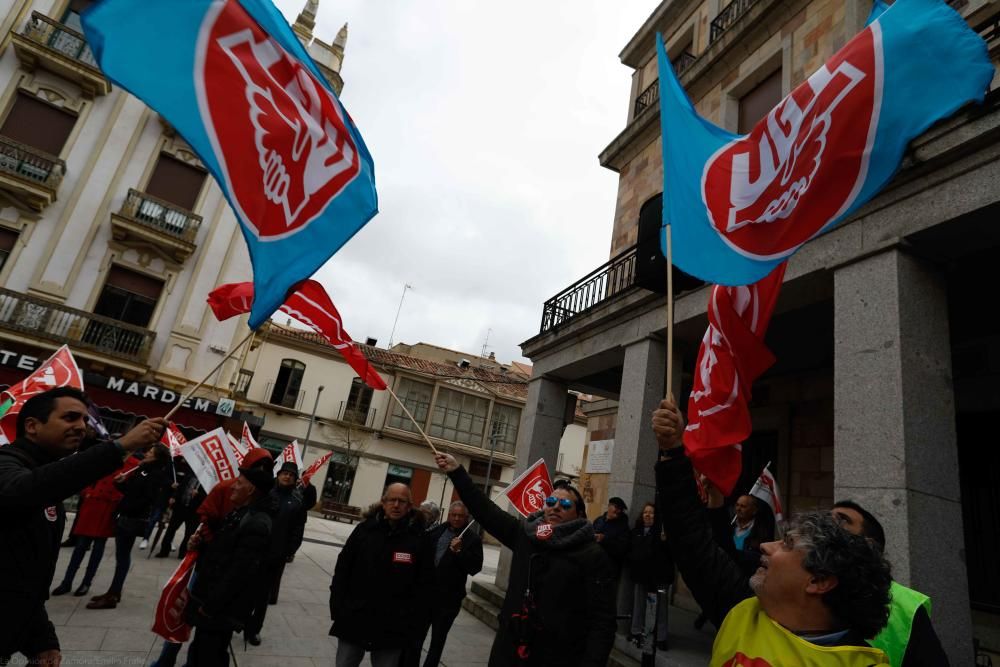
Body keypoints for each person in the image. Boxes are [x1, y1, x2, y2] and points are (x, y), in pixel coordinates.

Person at [651, 398, 893, 664]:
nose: (766, 546)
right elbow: (691, 540)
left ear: (818, 581)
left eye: (787, 544)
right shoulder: (741, 610)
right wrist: (673, 451)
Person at [0, 387, 166, 666]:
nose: (81, 426)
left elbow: (25, 577)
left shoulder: (48, 482)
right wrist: (120, 446)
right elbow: (21, 491)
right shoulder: (7, 464)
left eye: (85, 420)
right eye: (70, 418)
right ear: (32, 426)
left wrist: (43, 640)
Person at [434, 452, 616, 667]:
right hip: (509, 651)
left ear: (579, 515)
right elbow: (485, 510)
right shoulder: (526, 535)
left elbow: (602, 620)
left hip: (558, 656)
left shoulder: (592, 555)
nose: (556, 507)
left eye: (565, 504)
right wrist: (457, 472)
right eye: (550, 501)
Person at [184, 450, 276, 666]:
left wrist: (209, 607)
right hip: (211, 603)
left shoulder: (257, 523)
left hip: (219, 611)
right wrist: (200, 545)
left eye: (239, 482)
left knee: (210, 656)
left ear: (251, 489)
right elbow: (222, 551)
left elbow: (238, 573)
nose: (233, 486)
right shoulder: (239, 513)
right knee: (200, 651)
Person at [831, 500, 950, 667]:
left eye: (842, 520)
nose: (828, 524)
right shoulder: (799, 584)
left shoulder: (905, 606)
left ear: (868, 545)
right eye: (826, 517)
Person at [329, 483, 432, 667]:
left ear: (409, 506)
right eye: (392, 500)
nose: (396, 505)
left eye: (402, 501)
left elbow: (424, 585)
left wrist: (413, 623)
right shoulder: (364, 531)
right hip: (354, 617)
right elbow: (343, 569)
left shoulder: (419, 540)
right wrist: (337, 607)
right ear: (383, 503)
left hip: (393, 625)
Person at [87, 442, 171, 609]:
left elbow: (146, 499)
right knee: (121, 557)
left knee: (123, 557)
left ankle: (113, 594)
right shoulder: (142, 470)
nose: (147, 453)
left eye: (151, 452)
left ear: (157, 457)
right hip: (126, 516)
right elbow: (130, 491)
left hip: (132, 519)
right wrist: (120, 483)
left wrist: (127, 508)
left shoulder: (155, 475)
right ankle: (114, 591)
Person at [244, 461, 314, 645]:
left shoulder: (297, 502)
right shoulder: (265, 493)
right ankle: (240, 620)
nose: (287, 476)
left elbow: (298, 530)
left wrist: (288, 551)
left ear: (294, 479)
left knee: (263, 595)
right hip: (254, 551)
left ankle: (254, 630)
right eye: (284, 473)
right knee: (246, 588)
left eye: (291, 475)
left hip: (275, 556)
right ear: (278, 475)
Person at [417, 501, 483, 667]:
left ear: (466, 517)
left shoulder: (472, 539)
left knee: (437, 641)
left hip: (448, 600)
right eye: (453, 514)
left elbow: (475, 567)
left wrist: (460, 552)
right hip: (426, 595)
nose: (456, 518)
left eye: (460, 516)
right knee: (416, 638)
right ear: (448, 515)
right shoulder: (437, 530)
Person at [51, 464, 131, 597]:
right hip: (92, 504)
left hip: (107, 508)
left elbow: (127, 489)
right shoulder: (104, 458)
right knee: (80, 547)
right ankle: (67, 582)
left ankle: (86, 583)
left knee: (97, 549)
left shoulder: (132, 464)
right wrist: (87, 492)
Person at [627, 502, 674, 651]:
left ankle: (661, 637)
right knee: (639, 604)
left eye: (651, 512)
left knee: (661, 607)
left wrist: (666, 541)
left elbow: (671, 554)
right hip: (641, 576)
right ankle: (636, 632)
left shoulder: (662, 532)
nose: (647, 515)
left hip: (660, 577)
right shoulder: (636, 531)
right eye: (645, 512)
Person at [155, 457, 205, 559]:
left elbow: (207, 496)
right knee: (171, 529)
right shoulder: (190, 474)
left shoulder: (206, 482)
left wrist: (199, 494)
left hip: (194, 511)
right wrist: (174, 497)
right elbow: (181, 487)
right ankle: (164, 550)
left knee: (189, 533)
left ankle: (183, 553)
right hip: (180, 506)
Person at [730, 494, 775, 578]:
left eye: (743, 506)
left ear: (754, 510)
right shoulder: (728, 527)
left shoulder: (762, 532)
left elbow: (762, 558)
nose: (738, 509)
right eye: (737, 505)